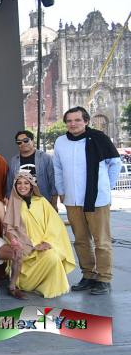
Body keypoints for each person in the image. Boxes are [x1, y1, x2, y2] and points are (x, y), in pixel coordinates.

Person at [53, 106, 121, 295]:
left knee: (102, 241)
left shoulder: (99, 138)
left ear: (86, 121)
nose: (72, 124)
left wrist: (106, 187)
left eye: (77, 120)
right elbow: (58, 168)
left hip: (97, 199)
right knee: (81, 240)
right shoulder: (60, 142)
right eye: (69, 121)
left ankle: (104, 278)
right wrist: (61, 191)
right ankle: (89, 275)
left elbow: (115, 163)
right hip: (72, 199)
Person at [4, 172, 76, 298]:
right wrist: (20, 243)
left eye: (26, 183)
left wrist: (48, 242)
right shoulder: (12, 203)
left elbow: (55, 224)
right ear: (15, 186)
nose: (22, 186)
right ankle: (24, 284)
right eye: (19, 183)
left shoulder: (42, 202)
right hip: (24, 248)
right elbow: (9, 228)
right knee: (19, 254)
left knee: (52, 257)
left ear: (32, 186)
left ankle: (44, 286)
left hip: (42, 245)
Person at [6, 130, 57, 207]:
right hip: (21, 203)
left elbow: (53, 180)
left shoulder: (44, 158)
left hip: (43, 201)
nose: (23, 144)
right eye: (19, 142)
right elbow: (10, 183)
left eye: (26, 140)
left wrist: (54, 203)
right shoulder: (13, 161)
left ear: (32, 141)